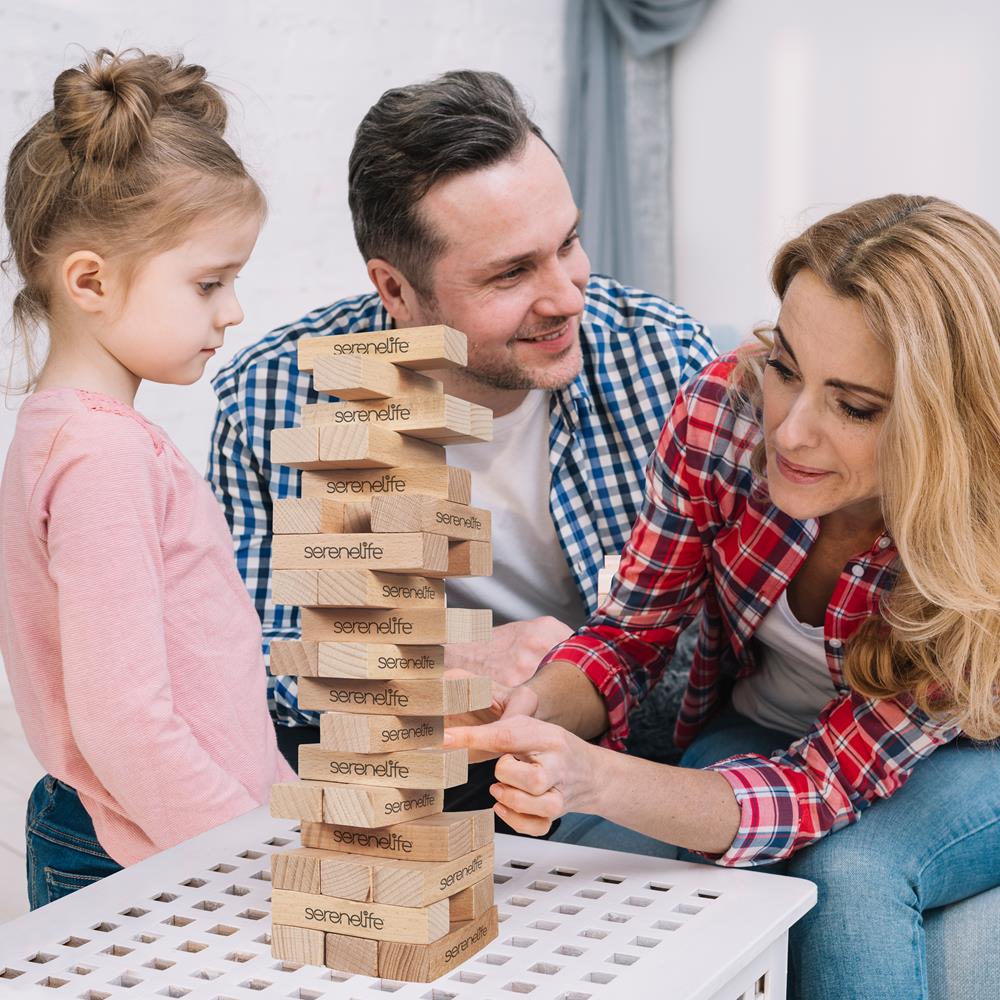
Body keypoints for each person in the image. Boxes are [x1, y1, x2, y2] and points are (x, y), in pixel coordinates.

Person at [445, 195, 1000, 999]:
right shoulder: (721, 417)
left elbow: (819, 787)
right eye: (786, 367)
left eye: (855, 406)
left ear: (943, 425)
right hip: (761, 721)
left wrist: (595, 776)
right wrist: (525, 709)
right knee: (642, 858)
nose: (791, 431)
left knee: (847, 875)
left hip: (971, 744)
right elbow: (630, 633)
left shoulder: (975, 553)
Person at [207, 69, 715, 819]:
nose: (568, 295)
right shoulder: (277, 400)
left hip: (619, 743)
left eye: (567, 242)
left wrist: (570, 688)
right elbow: (242, 655)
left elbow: (724, 638)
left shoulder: (658, 360)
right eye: (511, 273)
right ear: (397, 290)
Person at [0, 48, 295, 908]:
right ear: (89, 280)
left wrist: (279, 815)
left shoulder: (80, 440)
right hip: (144, 853)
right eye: (210, 283)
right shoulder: (101, 459)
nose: (232, 311)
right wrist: (255, 861)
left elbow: (210, 685)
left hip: (183, 835)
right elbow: (124, 723)